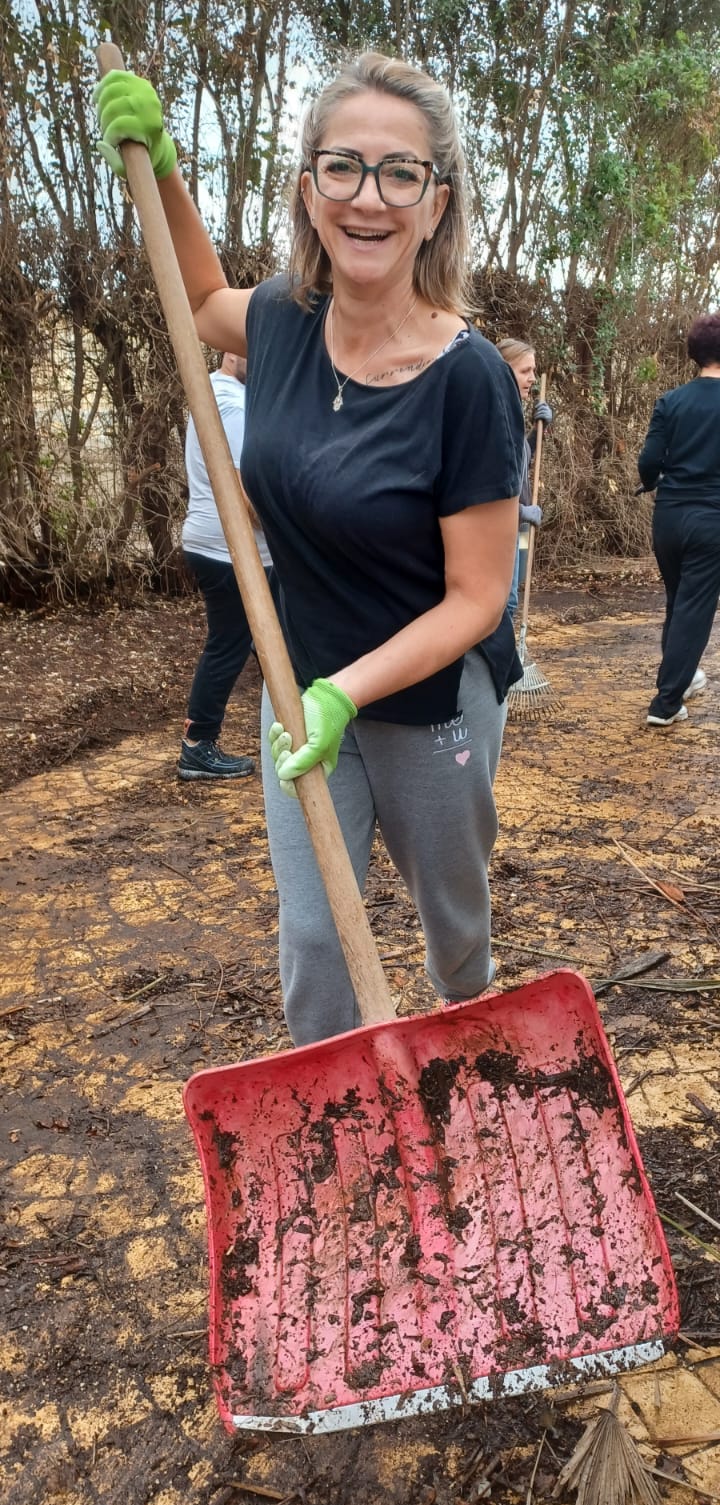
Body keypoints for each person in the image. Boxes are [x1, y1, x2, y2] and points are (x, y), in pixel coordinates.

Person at [95, 52, 525, 1046]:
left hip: (428, 707)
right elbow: (202, 302)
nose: (367, 197)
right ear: (308, 188)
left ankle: (472, 1056)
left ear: (436, 204)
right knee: (317, 941)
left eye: (399, 173)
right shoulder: (283, 322)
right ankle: (332, 1112)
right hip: (299, 687)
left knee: (453, 928)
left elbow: (476, 599)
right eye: (343, 167)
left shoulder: (470, 382)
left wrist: (348, 693)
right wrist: (161, 164)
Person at [179, 351, 271, 781]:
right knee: (229, 643)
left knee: (267, 641)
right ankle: (197, 745)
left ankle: (294, 721)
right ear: (232, 351)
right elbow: (243, 493)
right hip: (227, 549)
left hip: (219, 544)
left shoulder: (219, 396)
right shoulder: (230, 405)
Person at [638, 312, 720, 727]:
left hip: (668, 518)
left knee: (678, 601)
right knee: (695, 608)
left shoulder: (670, 401)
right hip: (712, 521)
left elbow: (648, 462)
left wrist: (651, 480)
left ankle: (681, 679)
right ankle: (666, 704)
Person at [497, 339, 553, 620]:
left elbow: (520, 458)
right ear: (504, 371)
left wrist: (538, 431)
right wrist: (520, 511)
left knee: (510, 600)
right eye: (524, 371)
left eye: (533, 371)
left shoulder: (512, 414)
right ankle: (498, 663)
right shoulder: (495, 416)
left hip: (517, 527)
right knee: (502, 604)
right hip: (499, 529)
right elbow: (489, 484)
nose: (532, 377)